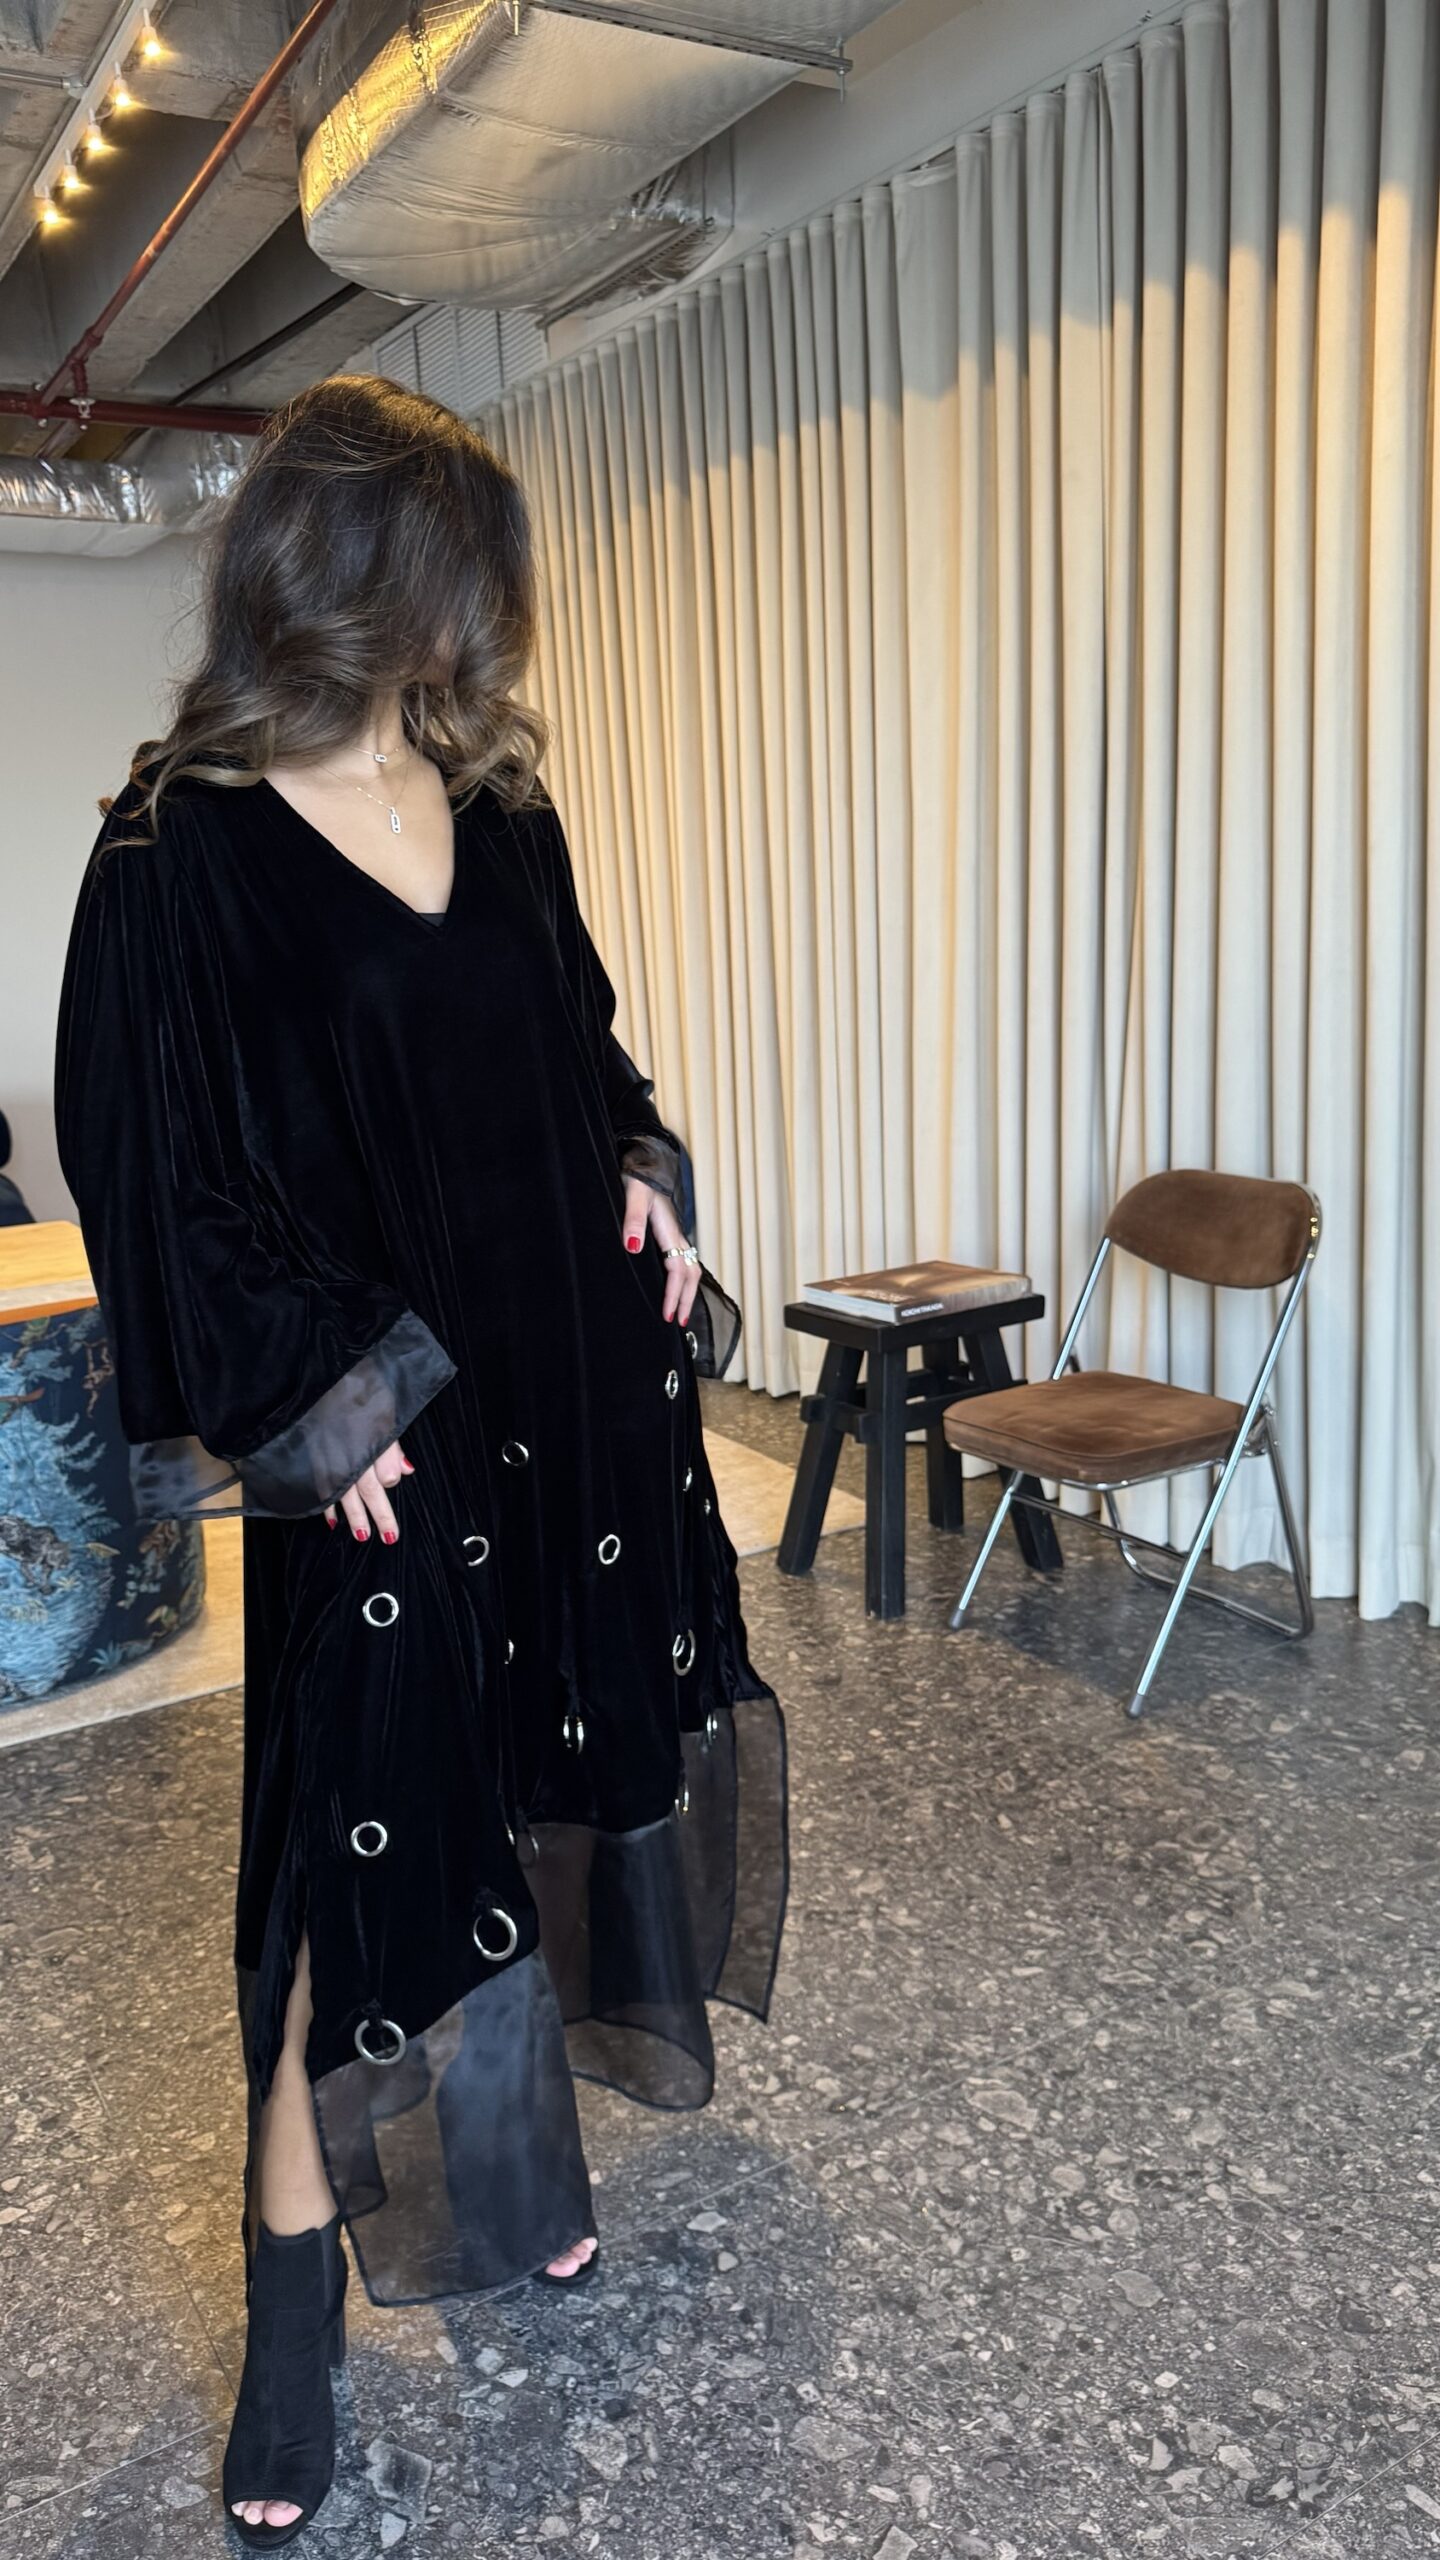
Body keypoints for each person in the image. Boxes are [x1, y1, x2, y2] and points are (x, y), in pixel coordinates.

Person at [53, 374, 789, 2549]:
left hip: (571, 1386)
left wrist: (643, 1169)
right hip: (383, 1440)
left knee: (539, 1776)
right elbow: (157, 1180)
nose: (486, 622)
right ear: (349, 569)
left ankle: (515, 2169)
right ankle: (293, 2317)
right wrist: (312, 1397)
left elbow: (584, 1057)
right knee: (357, 1865)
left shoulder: (502, 810)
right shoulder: (177, 851)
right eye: (460, 574)